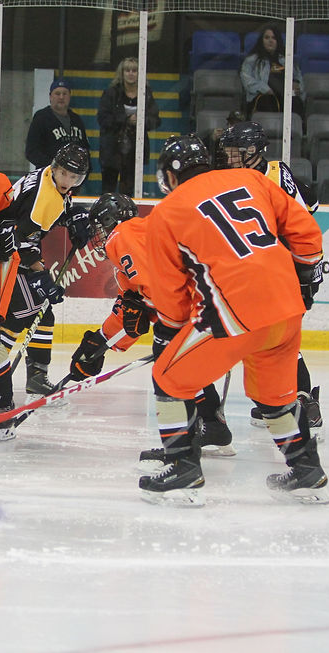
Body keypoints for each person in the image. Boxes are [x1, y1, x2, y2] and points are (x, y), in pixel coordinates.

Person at [138, 134, 328, 506]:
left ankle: (182, 467)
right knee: (274, 397)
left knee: (168, 377)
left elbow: (170, 292)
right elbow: (307, 233)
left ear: (171, 175)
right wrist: (305, 280)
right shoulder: (252, 179)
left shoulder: (166, 212)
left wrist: (170, 332)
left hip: (233, 312)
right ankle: (306, 468)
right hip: (287, 306)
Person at [68, 193, 234, 459]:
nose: (98, 234)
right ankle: (212, 425)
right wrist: (100, 342)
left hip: (197, 307)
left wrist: (160, 319)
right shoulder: (140, 234)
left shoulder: (122, 236)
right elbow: (133, 302)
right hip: (209, 301)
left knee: (170, 370)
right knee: (183, 367)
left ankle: (181, 452)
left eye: (99, 226)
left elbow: (155, 290)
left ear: (110, 221)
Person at [218, 120, 323, 436]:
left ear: (254, 150)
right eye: (228, 151)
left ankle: (299, 400)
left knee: (274, 335)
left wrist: (304, 276)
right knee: (267, 336)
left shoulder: (273, 176)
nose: (230, 157)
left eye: (236, 151)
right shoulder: (245, 175)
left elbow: (304, 216)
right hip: (267, 268)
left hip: (282, 269)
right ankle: (286, 400)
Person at [0, 142, 92, 410]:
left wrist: (74, 215)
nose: (67, 182)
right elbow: (21, 240)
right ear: (55, 168)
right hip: (0, 252)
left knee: (38, 313)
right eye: (64, 174)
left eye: (74, 177)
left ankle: (26, 376)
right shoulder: (42, 196)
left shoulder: (48, 178)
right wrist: (40, 274)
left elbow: (48, 213)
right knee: (26, 313)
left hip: (6, 247)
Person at [97, 57, 160, 196]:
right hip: (112, 149)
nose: (131, 73)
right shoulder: (111, 93)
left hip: (135, 151)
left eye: (134, 70)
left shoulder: (146, 93)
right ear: (122, 73)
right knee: (108, 190)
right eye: (127, 70)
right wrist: (126, 120)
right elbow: (103, 118)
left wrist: (141, 121)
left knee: (129, 192)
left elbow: (155, 119)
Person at [240, 23, 305, 118]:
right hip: (263, 96)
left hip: (285, 96)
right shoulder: (251, 61)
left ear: (278, 41)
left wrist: (297, 85)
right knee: (268, 101)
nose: (270, 40)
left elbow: (298, 78)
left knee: (295, 102)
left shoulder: (287, 60)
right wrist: (265, 89)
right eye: (267, 38)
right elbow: (247, 80)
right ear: (262, 40)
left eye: (274, 38)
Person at [25, 78, 91, 170]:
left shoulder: (76, 120)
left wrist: (85, 170)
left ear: (69, 96)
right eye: (57, 93)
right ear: (50, 96)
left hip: (73, 176)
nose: (61, 97)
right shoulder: (41, 118)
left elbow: (85, 149)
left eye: (65, 93)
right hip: (48, 174)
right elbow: (31, 151)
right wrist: (54, 166)